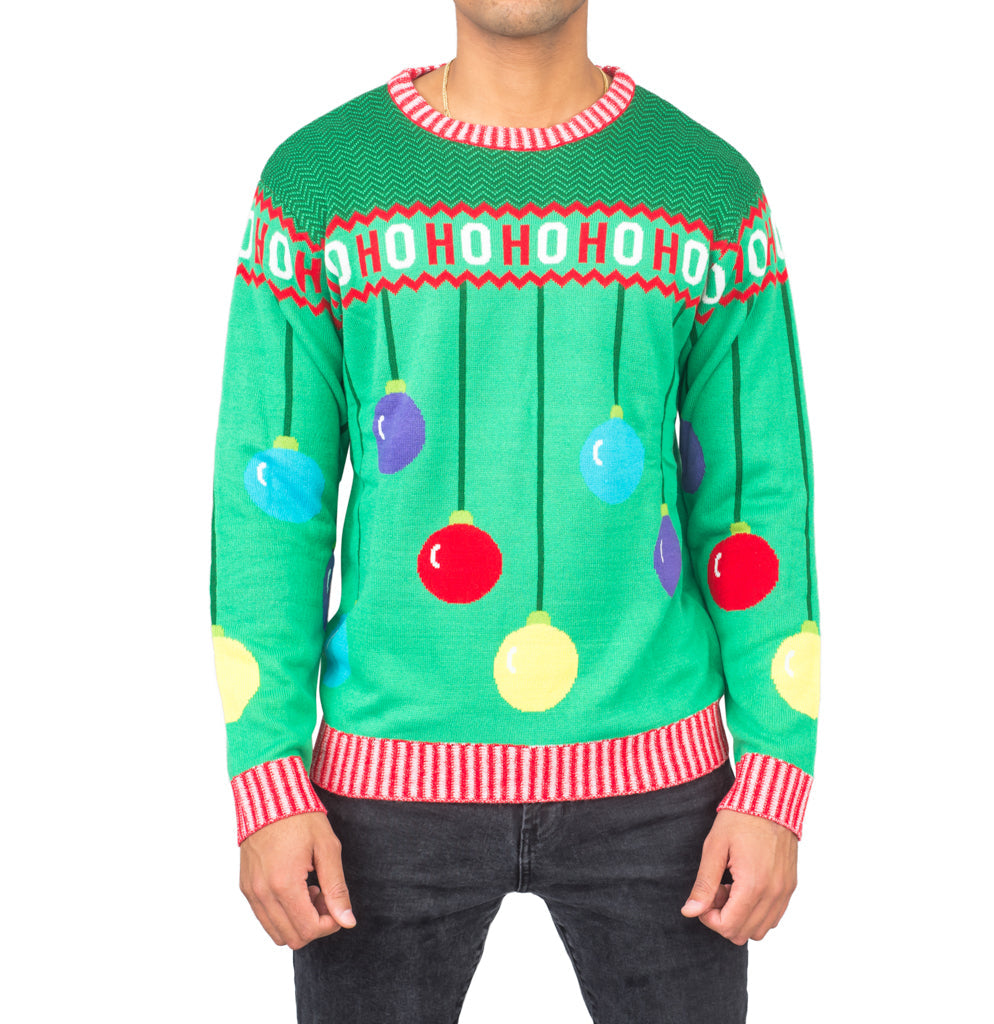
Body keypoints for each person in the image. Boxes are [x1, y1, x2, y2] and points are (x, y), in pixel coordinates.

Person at [208, 2, 820, 1020]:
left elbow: (755, 501)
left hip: (665, 784)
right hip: (379, 791)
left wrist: (774, 782)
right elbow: (272, 505)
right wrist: (265, 779)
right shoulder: (318, 188)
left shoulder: (707, 192)